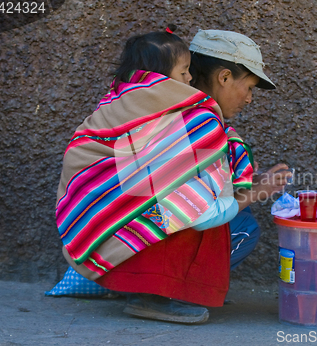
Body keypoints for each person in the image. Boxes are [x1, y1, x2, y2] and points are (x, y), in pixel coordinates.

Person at [55, 27, 289, 325]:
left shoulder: (137, 105)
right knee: (238, 225)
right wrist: (255, 194)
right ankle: (156, 295)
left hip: (103, 236)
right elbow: (201, 213)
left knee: (240, 220)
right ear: (225, 77)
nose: (250, 99)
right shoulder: (197, 121)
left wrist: (247, 186)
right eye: (250, 87)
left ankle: (143, 284)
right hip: (135, 239)